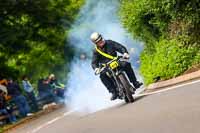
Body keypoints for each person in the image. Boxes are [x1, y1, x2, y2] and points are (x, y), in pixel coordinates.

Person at [90, 32, 143, 100]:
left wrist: (124, 53)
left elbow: (120, 47)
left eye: (100, 39)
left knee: (127, 64)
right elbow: (94, 62)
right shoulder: (95, 51)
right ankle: (113, 92)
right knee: (102, 76)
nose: (100, 41)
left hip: (116, 62)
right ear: (95, 43)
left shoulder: (110, 42)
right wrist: (96, 68)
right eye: (98, 41)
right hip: (106, 67)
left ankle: (135, 82)